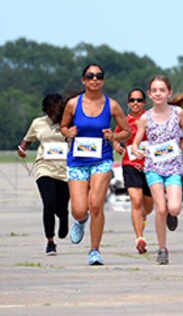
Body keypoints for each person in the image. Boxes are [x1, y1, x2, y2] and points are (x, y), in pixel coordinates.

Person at [131, 75, 183, 265]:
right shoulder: (145, 118)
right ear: (149, 94)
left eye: (162, 90)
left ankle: (171, 214)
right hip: (153, 167)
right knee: (160, 208)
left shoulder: (177, 113)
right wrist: (137, 150)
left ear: (169, 93)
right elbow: (136, 142)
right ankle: (162, 249)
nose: (158, 93)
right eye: (155, 90)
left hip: (173, 167)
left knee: (174, 208)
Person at [60, 64, 131, 266]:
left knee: (96, 205)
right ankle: (80, 221)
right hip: (78, 161)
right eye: (90, 76)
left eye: (99, 76)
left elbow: (126, 131)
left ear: (103, 80)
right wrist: (68, 133)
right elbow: (63, 126)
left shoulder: (112, 105)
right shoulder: (73, 104)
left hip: (102, 159)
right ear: (83, 80)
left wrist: (114, 135)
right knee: (79, 209)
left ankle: (95, 251)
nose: (94, 79)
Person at [17, 93, 69, 256]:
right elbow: (27, 140)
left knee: (61, 206)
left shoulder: (68, 122)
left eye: (57, 111)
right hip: (44, 167)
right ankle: (50, 241)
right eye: (51, 111)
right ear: (45, 110)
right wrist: (22, 149)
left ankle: (64, 217)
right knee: (49, 203)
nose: (54, 115)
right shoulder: (38, 123)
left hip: (65, 170)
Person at [112, 88, 153, 254]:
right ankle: (139, 238)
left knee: (148, 207)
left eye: (139, 100)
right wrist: (117, 146)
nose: (135, 103)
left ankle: (142, 216)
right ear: (128, 103)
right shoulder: (124, 121)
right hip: (131, 165)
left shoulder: (151, 119)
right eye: (132, 100)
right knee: (135, 201)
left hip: (150, 166)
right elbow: (117, 140)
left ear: (144, 103)